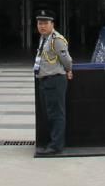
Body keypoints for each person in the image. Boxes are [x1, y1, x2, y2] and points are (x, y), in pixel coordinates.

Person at [34, 9, 73, 156]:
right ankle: (51, 142)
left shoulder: (56, 40)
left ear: (52, 24)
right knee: (49, 113)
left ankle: (56, 146)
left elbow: (67, 60)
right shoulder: (44, 38)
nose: (42, 26)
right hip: (45, 80)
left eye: (45, 23)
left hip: (55, 80)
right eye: (40, 23)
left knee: (56, 114)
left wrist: (69, 69)